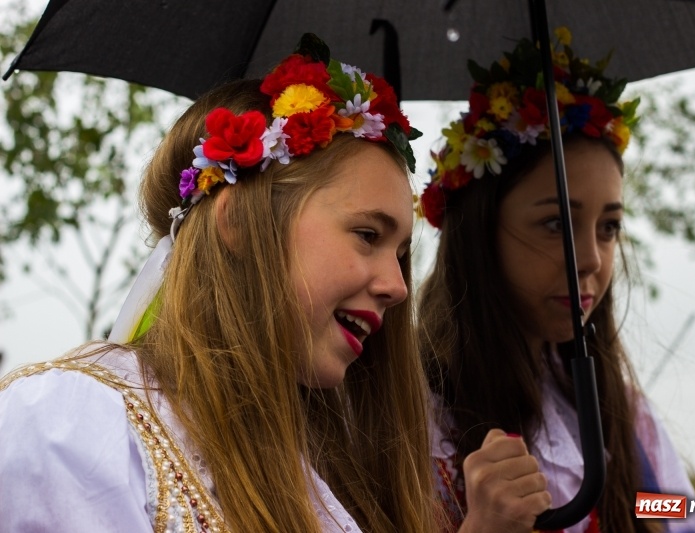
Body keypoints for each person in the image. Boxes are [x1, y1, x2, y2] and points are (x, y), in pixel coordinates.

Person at [0, 34, 440, 532]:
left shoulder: (323, 475)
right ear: (240, 225)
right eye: (367, 235)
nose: (398, 286)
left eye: (402, 256)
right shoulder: (80, 429)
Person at [418, 29, 695, 533]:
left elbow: (674, 513)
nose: (592, 259)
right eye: (556, 224)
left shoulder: (621, 415)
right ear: (479, 234)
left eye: (609, 226)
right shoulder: (411, 418)